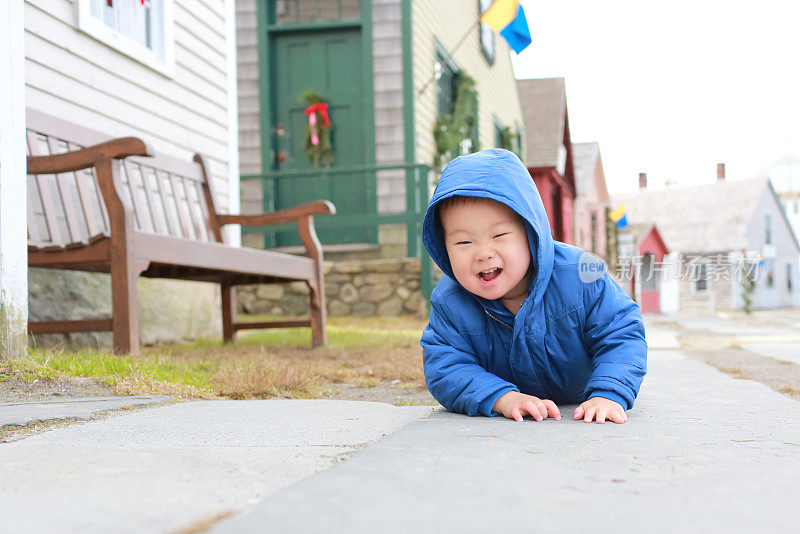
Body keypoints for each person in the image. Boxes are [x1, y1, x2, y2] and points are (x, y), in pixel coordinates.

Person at [420, 149, 647, 424]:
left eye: (499, 235)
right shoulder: (450, 301)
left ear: (531, 232)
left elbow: (621, 333)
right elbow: (445, 366)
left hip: (584, 393)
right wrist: (501, 398)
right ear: (443, 247)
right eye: (463, 243)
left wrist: (609, 393)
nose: (483, 253)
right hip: (508, 395)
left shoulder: (581, 275)